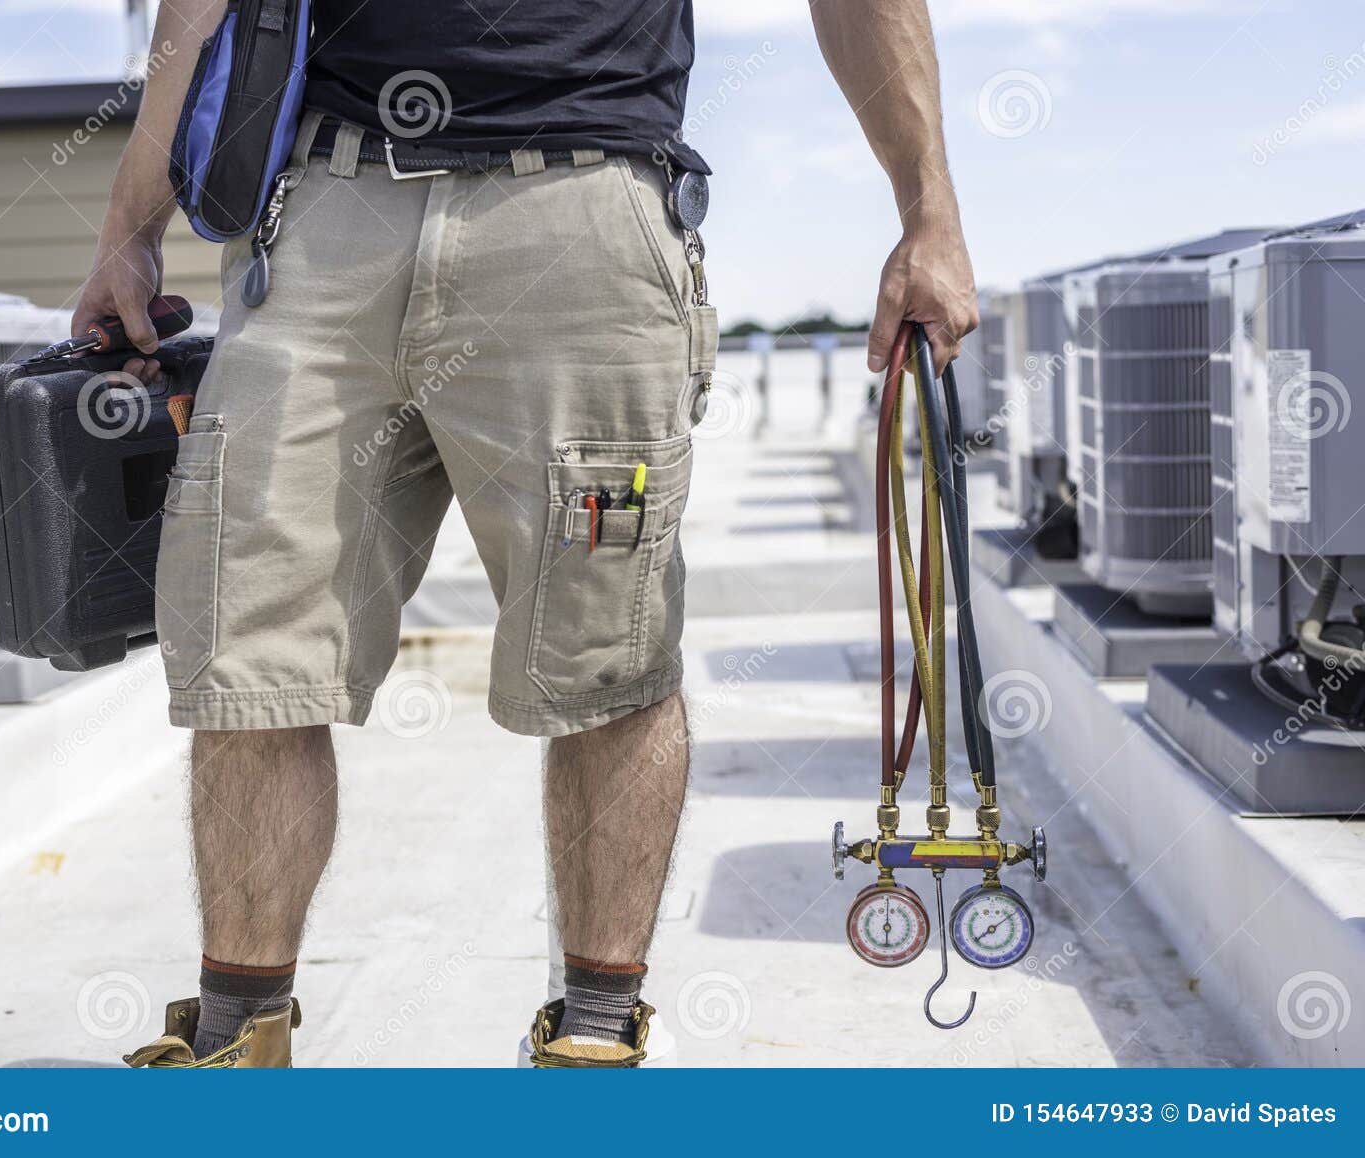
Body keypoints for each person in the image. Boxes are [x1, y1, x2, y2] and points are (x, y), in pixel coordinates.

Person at [73, 0, 977, 1068]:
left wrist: (929, 210)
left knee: (608, 660)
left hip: (585, 212)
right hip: (323, 216)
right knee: (249, 653)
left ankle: (591, 1046)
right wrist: (129, 226)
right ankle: (237, 1049)